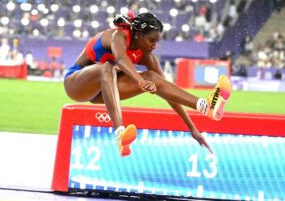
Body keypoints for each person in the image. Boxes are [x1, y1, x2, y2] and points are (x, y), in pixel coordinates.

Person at [64, 12, 232, 157]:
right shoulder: (118, 36)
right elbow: (121, 59)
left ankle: (206, 107)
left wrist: (192, 128)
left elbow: (168, 92)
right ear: (137, 35)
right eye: (151, 40)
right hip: (76, 84)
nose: (154, 45)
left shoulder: (147, 56)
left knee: (153, 77)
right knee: (106, 68)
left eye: (157, 41)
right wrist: (140, 81)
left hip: (103, 92)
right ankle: (120, 134)